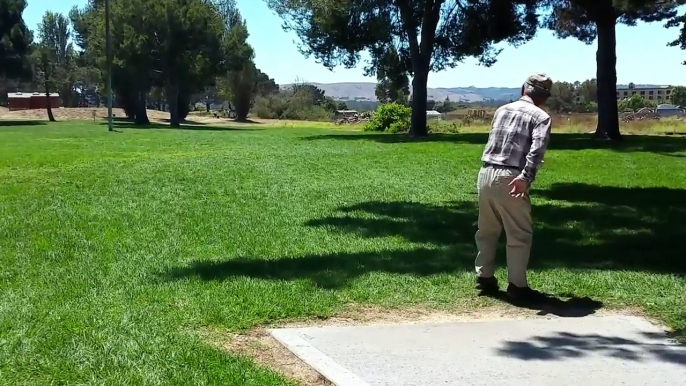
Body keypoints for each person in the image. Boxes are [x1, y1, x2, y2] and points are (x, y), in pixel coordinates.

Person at [474, 73, 553, 301]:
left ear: (523, 89)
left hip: (486, 171)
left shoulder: (502, 110)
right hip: (511, 175)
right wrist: (525, 177)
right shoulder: (541, 117)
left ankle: (484, 276)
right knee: (518, 233)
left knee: (487, 229)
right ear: (544, 96)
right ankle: (517, 286)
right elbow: (536, 150)